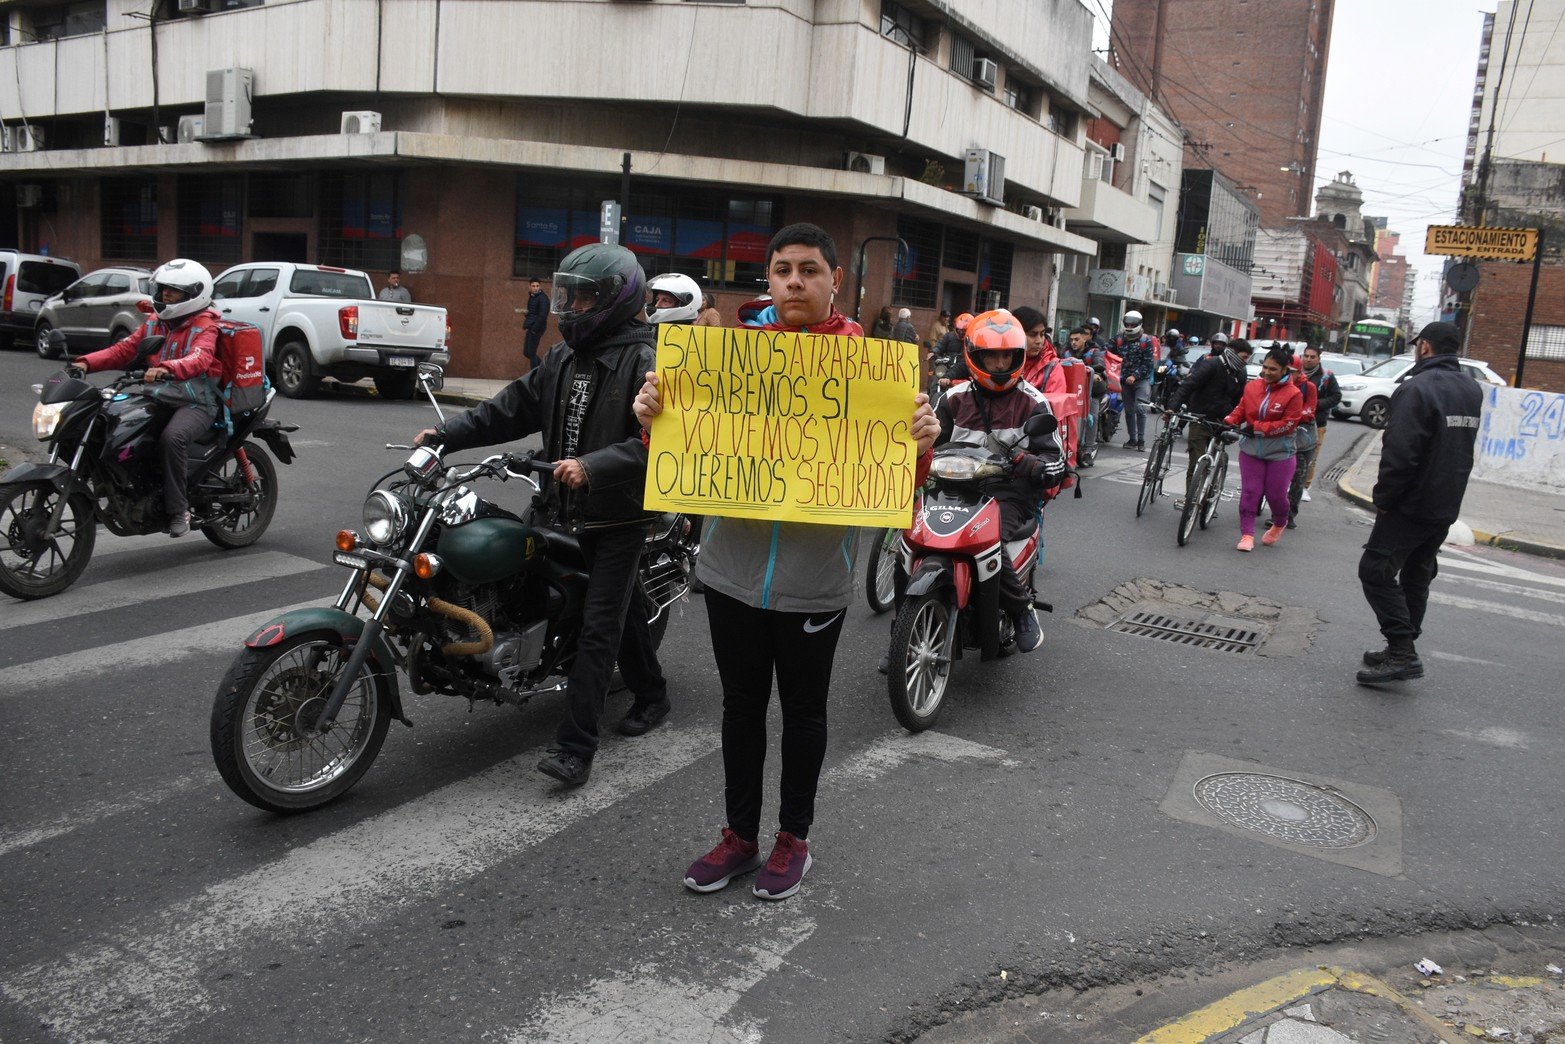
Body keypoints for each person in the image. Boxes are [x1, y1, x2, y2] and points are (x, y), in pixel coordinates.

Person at [633, 222, 939, 901]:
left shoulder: (873, 372)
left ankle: (792, 838)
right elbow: (679, 453)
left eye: (807, 269)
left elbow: (900, 484)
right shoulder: (729, 362)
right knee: (740, 708)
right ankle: (739, 837)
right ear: (767, 282)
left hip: (813, 583)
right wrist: (652, 416)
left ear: (835, 280)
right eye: (780, 270)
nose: (793, 281)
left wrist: (921, 442)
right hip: (729, 574)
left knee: (802, 714)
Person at [415, 244, 669, 787]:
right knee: (582, 604)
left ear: (616, 299)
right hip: (556, 505)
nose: (570, 307)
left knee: (599, 628)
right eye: (567, 295)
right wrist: (445, 436)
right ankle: (650, 691)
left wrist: (593, 466)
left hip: (617, 517)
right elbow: (509, 407)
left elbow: (662, 444)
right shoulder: (560, 357)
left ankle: (576, 748)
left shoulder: (649, 361)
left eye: (583, 297)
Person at [1356, 321, 1482, 685]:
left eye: (1417, 345)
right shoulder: (1470, 388)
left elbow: (1400, 451)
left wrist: (1384, 498)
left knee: (1375, 570)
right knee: (1417, 573)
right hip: (1446, 500)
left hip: (1412, 502)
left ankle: (1402, 651)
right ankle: (1402, 647)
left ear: (1425, 347)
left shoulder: (1416, 388)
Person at [934, 309, 1066, 650]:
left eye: (1007, 355)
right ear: (975, 356)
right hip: (950, 486)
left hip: (1005, 492)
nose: (1000, 363)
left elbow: (1055, 461)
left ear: (1018, 355)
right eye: (991, 356)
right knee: (910, 536)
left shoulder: (1034, 403)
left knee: (988, 538)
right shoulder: (952, 398)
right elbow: (924, 440)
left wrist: (1028, 464)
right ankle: (899, 633)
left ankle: (1022, 610)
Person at [72, 259, 222, 539]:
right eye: (163, 289)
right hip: (159, 396)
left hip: (196, 402)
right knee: (111, 423)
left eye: (173, 292)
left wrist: (168, 368)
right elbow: (123, 350)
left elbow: (200, 357)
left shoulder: (205, 325)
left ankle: (178, 510)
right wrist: (84, 364)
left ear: (193, 294)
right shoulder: (156, 323)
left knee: (173, 438)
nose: (165, 296)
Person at [1223, 343, 1304, 552]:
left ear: (1285, 370)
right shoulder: (1252, 386)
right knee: (1250, 492)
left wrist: (1257, 428)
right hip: (1251, 450)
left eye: (1273, 369)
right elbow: (1242, 409)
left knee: (1275, 495)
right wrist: (1231, 419)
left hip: (1281, 453)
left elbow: (1289, 423)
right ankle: (1247, 534)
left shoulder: (1294, 394)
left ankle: (1280, 522)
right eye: (1265, 367)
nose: (1266, 372)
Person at [1167, 337, 1252, 508]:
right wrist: (1172, 408)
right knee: (1197, 460)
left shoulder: (1241, 373)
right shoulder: (1211, 364)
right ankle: (1190, 497)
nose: (1245, 362)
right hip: (1200, 417)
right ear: (1233, 353)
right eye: (1243, 357)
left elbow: (1239, 403)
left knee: (1214, 460)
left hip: (1223, 422)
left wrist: (1236, 424)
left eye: (1247, 358)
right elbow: (1188, 386)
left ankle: (1209, 494)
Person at [1282, 353, 1319, 529]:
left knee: (1297, 478)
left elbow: (1310, 410)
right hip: (1279, 436)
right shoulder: (1276, 385)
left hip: (1301, 439)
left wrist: (1290, 418)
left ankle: (1288, 515)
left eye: (1292, 371)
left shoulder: (1308, 387)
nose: (1288, 375)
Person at [1299, 345, 1341, 495]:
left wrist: (1316, 404)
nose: (1308, 359)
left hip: (1317, 423)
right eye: (1306, 356)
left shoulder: (1327, 376)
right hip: (1295, 422)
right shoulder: (1295, 373)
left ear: (1319, 359)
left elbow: (1336, 396)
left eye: (1312, 357)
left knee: (1311, 456)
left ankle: (1304, 487)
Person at [1113, 310, 1157, 451]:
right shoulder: (1118, 338)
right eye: (1128, 324)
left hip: (1141, 381)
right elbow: (1107, 353)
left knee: (1140, 409)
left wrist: (1135, 376)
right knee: (1129, 411)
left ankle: (1141, 441)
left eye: (1133, 325)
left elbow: (1149, 364)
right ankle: (1132, 439)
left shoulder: (1146, 341)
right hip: (1124, 380)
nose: (1130, 327)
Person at [1011, 306, 1066, 394]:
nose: (1039, 341)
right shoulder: (1005, 361)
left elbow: (1053, 405)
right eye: (1033, 334)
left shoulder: (1051, 367)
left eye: (1042, 334)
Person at [523, 277, 550, 370]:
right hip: (531, 327)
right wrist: (527, 314)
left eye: (537, 286)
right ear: (529, 287)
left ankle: (536, 375)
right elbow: (534, 314)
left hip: (536, 328)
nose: (535, 288)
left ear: (540, 286)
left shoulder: (543, 299)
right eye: (533, 286)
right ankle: (543, 369)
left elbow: (542, 316)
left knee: (531, 352)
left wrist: (534, 329)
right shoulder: (532, 297)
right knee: (527, 352)